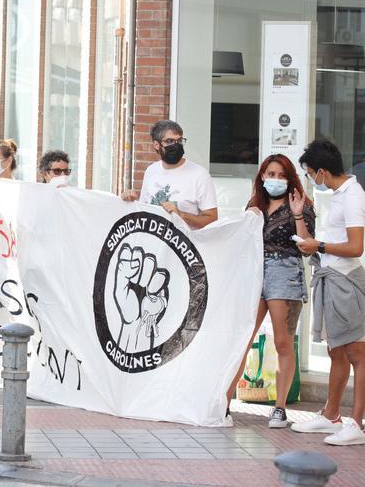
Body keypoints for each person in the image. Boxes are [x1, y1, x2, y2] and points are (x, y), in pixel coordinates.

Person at [225, 154, 315, 428]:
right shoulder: (255, 204)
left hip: (284, 271)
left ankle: (279, 408)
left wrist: (298, 213)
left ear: (289, 177)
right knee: (242, 338)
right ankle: (224, 403)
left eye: (280, 174)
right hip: (254, 272)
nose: (274, 179)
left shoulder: (300, 204)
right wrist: (246, 218)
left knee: (282, 342)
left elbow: (307, 244)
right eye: (270, 174)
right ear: (262, 176)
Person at [292, 139, 365, 446]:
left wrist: (319, 246)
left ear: (321, 171)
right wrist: (298, 215)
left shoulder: (353, 195)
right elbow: (322, 245)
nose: (310, 178)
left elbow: (355, 247)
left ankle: (356, 424)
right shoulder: (337, 195)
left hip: (346, 281)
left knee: (357, 354)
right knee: (336, 351)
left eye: (310, 173)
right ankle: (331, 414)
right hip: (331, 278)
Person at [122, 120, 218, 230]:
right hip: (154, 244)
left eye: (179, 141)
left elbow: (212, 219)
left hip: (184, 245)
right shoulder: (151, 171)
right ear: (156, 145)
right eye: (169, 141)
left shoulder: (199, 175)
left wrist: (181, 215)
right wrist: (131, 201)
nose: (175, 145)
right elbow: (145, 211)